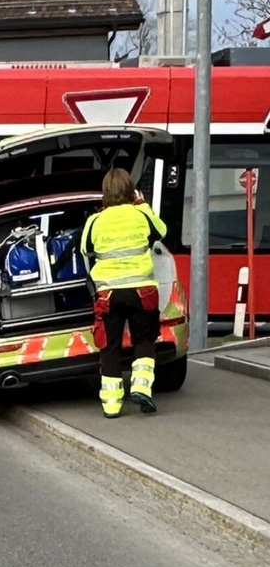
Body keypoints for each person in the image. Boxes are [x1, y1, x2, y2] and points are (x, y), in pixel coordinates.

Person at [81, 168, 168, 418]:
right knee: (144, 339)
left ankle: (111, 404)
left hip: (108, 293)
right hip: (142, 289)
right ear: (132, 190)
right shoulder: (141, 213)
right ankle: (141, 387)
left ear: (105, 193)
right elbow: (161, 232)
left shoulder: (94, 221)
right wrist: (144, 206)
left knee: (110, 345)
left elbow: (85, 249)